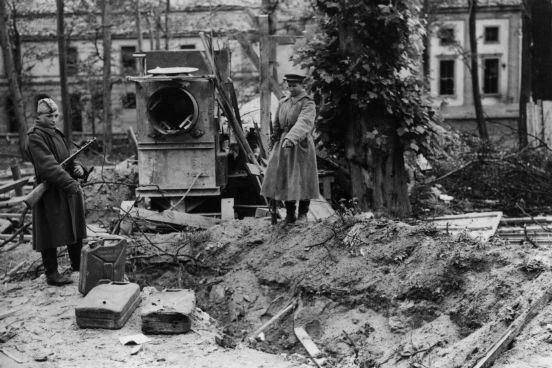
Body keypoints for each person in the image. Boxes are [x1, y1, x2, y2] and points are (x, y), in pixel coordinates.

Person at [26, 98, 87, 286]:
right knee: (48, 233)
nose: (54, 119)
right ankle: (52, 274)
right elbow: (48, 166)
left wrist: (78, 168)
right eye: (49, 116)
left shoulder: (56, 133)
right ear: (39, 116)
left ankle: (77, 265)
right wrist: (70, 184)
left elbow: (66, 158)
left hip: (65, 186)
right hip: (50, 190)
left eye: (56, 115)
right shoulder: (35, 137)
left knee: (74, 224)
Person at [260, 74, 320, 225]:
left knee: (303, 178)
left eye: (295, 85)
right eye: (289, 85)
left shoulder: (308, 103)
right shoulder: (283, 102)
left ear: (302, 86)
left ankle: (302, 215)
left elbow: (304, 123)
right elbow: (277, 124)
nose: (291, 88)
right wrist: (274, 139)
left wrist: (291, 138)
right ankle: (290, 214)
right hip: (284, 145)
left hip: (301, 145)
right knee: (285, 178)